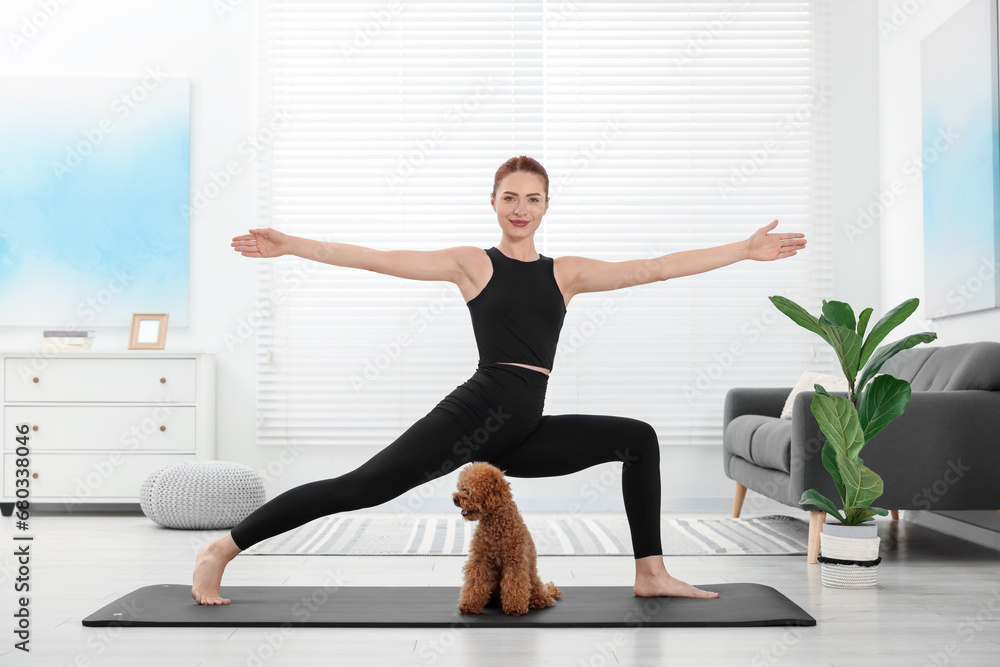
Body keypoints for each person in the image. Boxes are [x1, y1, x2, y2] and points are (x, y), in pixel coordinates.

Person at [191, 155, 806, 605]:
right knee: (362, 488)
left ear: (546, 206)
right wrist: (292, 245)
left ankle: (650, 571)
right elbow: (378, 258)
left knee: (637, 438)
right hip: (477, 412)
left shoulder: (565, 273)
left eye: (532, 198)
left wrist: (742, 250)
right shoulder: (472, 264)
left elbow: (658, 267)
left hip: (523, 428)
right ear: (493, 203)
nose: (520, 208)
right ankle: (222, 550)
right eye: (509, 197)